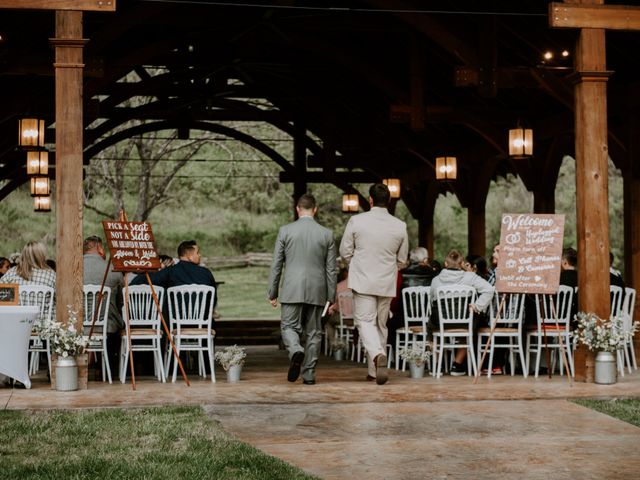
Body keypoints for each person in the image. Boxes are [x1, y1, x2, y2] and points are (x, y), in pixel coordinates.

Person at [339, 183, 409, 385]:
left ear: (370, 200)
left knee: (364, 322)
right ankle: (372, 371)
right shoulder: (399, 225)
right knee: (381, 324)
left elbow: (345, 252)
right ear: (389, 200)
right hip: (386, 282)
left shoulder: (357, 221)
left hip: (363, 280)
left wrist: (357, 265)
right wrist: (388, 267)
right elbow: (402, 260)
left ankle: (378, 354)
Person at [267, 193, 337, 385]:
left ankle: (296, 349)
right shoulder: (327, 234)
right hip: (317, 290)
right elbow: (331, 269)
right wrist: (332, 298)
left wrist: (272, 292)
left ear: (298, 209)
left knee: (288, 327)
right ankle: (309, 375)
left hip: (292, 288)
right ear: (315, 210)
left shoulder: (285, 231)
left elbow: (276, 264)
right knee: (314, 332)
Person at [430, 249, 494, 376]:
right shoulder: (470, 277)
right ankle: (457, 365)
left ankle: (437, 364)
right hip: (464, 322)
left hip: (440, 323)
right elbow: (489, 290)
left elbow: (432, 300)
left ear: (446, 264)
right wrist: (477, 306)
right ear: (462, 264)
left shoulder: (436, 280)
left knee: (430, 327)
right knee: (469, 327)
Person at [131, 240, 217, 314]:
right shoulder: (206, 273)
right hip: (203, 323)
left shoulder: (171, 271)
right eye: (197, 253)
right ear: (190, 256)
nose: (200, 255)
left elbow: (143, 281)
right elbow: (213, 299)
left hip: (176, 323)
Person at [83, 235, 125, 373]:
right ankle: (109, 369)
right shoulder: (113, 269)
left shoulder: (72, 267)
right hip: (107, 327)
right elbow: (121, 301)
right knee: (117, 322)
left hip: (78, 326)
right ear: (100, 248)